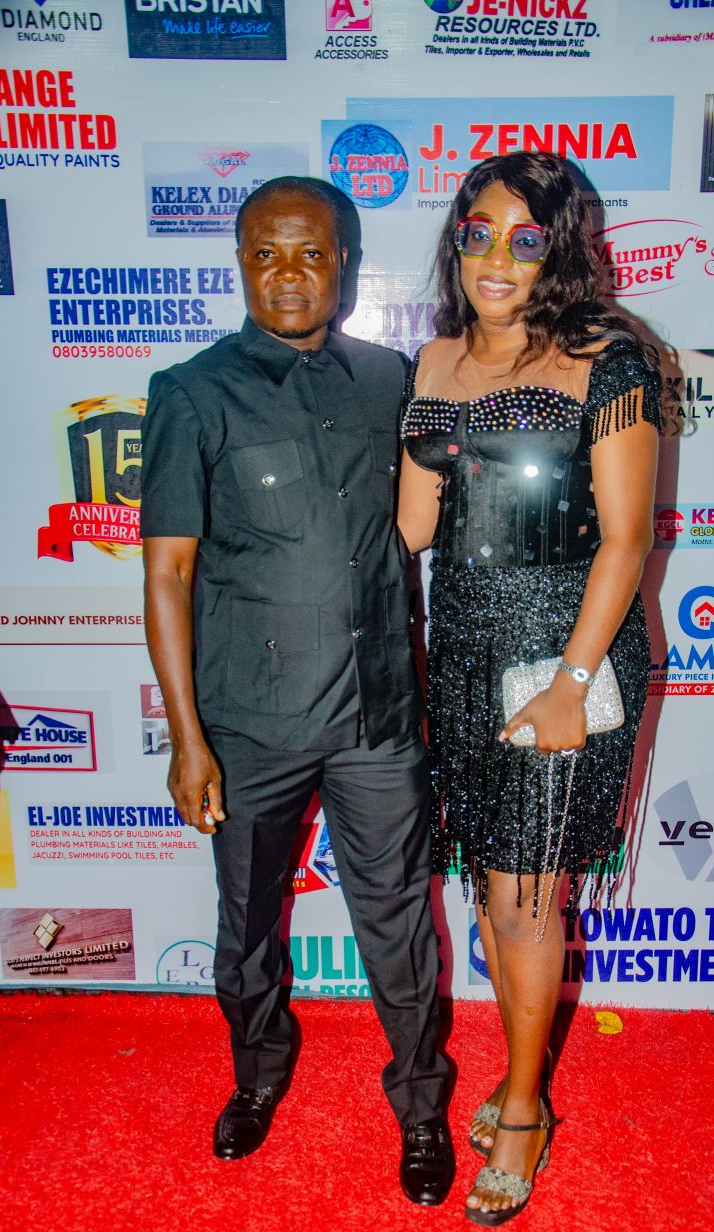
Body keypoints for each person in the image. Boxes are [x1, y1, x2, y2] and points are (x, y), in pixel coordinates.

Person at [140, 176, 454, 1205]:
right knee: (247, 926)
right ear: (239, 262)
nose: (288, 273)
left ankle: (421, 1103)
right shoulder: (192, 392)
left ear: (344, 264)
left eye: (310, 252)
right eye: (266, 253)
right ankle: (258, 1073)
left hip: (377, 712)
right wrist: (188, 738)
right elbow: (168, 573)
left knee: (400, 921)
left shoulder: (388, 377)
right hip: (251, 720)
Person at [398, 151, 661, 1226]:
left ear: (559, 250)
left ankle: (521, 1105)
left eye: (524, 238)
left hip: (565, 656)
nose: (496, 258)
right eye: (479, 234)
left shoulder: (607, 357)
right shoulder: (433, 359)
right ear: (456, 243)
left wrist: (570, 680)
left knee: (525, 900)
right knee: (497, 893)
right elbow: (414, 527)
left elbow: (628, 539)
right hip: (464, 652)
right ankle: (521, 1078)